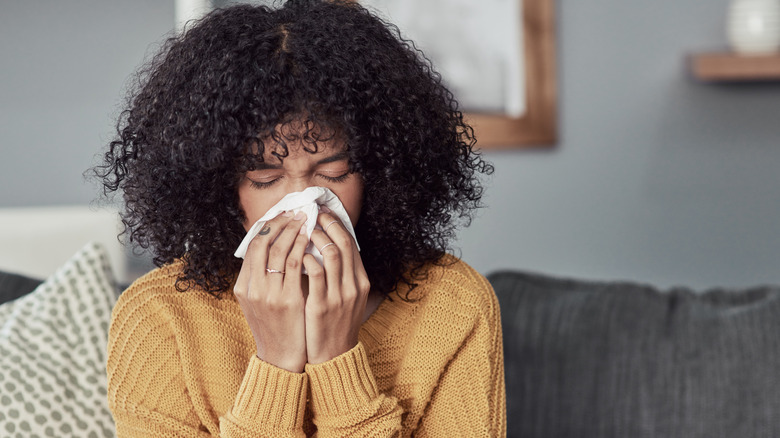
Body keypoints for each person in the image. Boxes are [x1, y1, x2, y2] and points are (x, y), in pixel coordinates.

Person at [96, 0, 504, 436]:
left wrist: (337, 359)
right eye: (266, 175)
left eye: (332, 172)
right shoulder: (160, 318)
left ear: (379, 171)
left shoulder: (454, 303)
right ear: (218, 185)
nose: (302, 202)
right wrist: (275, 364)